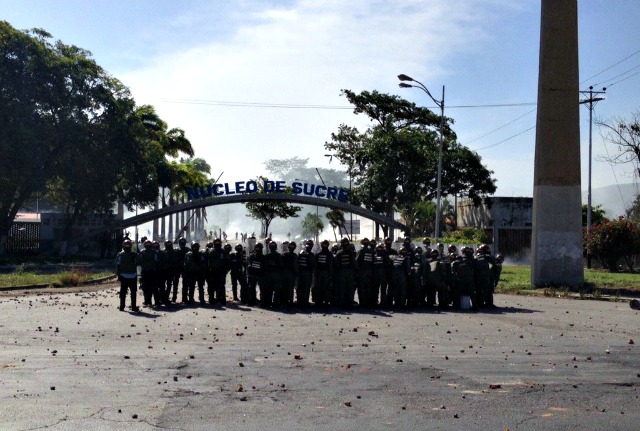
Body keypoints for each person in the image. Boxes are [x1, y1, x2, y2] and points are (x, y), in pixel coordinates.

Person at [115, 239, 139, 312]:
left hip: (124, 276)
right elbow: (139, 263)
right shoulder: (134, 254)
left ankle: (122, 307)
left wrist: (118, 275)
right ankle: (133, 307)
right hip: (133, 276)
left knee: (123, 292)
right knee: (133, 292)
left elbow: (118, 265)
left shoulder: (120, 254)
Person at [334, 237, 357, 307]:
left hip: (342, 272)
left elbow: (336, 264)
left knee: (342, 287)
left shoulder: (339, 253)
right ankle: (349, 302)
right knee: (349, 287)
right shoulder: (351, 253)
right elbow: (354, 263)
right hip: (348, 272)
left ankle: (342, 302)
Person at [207, 238, 229, 306]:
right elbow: (227, 262)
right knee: (220, 286)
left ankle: (215, 299)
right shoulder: (219, 251)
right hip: (217, 271)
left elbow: (226, 262)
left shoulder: (213, 251)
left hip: (216, 271)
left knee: (215, 286)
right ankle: (219, 299)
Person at [313, 240, 334, 306]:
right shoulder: (329, 254)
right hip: (326, 273)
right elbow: (331, 265)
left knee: (320, 287)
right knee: (326, 287)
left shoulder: (318, 254)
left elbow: (315, 265)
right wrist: (331, 274)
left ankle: (319, 301)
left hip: (320, 273)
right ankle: (326, 301)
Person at [139, 239, 159, 307]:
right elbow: (157, 261)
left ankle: (148, 301)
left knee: (147, 287)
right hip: (150, 271)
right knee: (151, 287)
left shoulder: (143, 252)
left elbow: (140, 262)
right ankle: (153, 301)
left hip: (148, 271)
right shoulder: (154, 252)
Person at [263, 241, 282, 307]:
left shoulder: (267, 256)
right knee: (276, 289)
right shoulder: (279, 256)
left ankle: (269, 302)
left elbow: (264, 266)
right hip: (276, 274)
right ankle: (275, 303)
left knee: (269, 289)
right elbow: (281, 265)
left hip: (269, 274)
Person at [356, 238, 375, 307]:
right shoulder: (372, 252)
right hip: (369, 272)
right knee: (368, 287)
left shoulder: (361, 251)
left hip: (362, 272)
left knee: (361, 287)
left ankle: (362, 303)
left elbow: (357, 262)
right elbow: (373, 262)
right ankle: (368, 302)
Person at [296, 240, 315, 307]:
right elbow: (313, 265)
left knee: (300, 287)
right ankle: (304, 301)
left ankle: (299, 301)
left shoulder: (300, 253)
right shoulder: (311, 255)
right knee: (306, 288)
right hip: (307, 273)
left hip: (301, 273)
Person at [163, 240, 181, 305]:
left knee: (169, 285)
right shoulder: (165, 252)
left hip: (171, 270)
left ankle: (168, 298)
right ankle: (168, 298)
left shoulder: (172, 252)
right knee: (168, 285)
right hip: (167, 270)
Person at [281, 241, 299, 306]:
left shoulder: (283, 254)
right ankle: (290, 301)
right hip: (291, 274)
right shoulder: (295, 256)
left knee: (284, 287)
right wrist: (297, 274)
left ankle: (284, 301)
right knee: (291, 288)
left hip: (284, 273)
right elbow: (296, 266)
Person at [175, 237, 189, 303]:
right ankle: (184, 298)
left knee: (177, 284)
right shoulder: (187, 249)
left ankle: (175, 298)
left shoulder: (176, 250)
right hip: (181, 268)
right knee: (183, 284)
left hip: (180, 268)